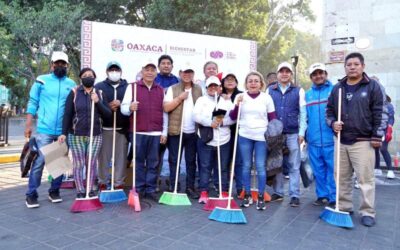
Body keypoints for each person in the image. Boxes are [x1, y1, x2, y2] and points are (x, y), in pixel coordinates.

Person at [326, 52, 385, 227]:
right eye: (349, 64)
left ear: (363, 66)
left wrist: (377, 135)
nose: (352, 67)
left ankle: (368, 212)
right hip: (341, 139)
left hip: (364, 141)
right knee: (341, 176)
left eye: (356, 64)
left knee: (365, 179)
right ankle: (344, 206)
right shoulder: (338, 88)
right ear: (345, 67)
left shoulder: (373, 87)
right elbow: (329, 111)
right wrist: (332, 123)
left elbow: (380, 112)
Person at [24, 51, 76, 208]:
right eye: (57, 63)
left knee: (59, 162)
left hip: (62, 131)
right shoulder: (41, 81)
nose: (60, 66)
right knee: (39, 161)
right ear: (52, 64)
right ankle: (31, 194)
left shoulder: (71, 84)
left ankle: (54, 191)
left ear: (67, 66)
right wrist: (28, 124)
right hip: (44, 130)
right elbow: (33, 102)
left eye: (63, 64)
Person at [58, 68, 111, 197]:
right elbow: (67, 114)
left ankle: (90, 188)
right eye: (85, 75)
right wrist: (64, 132)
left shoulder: (100, 93)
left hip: (95, 134)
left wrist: (98, 102)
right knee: (79, 163)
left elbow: (108, 115)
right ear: (81, 78)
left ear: (95, 78)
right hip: (76, 134)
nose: (88, 77)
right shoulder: (75, 92)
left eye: (91, 75)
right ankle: (80, 190)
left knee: (91, 163)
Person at [121, 62, 167, 201]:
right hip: (138, 131)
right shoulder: (132, 87)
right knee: (139, 162)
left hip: (156, 132)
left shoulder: (160, 90)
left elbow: (164, 113)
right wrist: (130, 107)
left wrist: (164, 132)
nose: (150, 72)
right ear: (142, 71)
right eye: (147, 70)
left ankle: (151, 189)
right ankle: (139, 189)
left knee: (153, 162)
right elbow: (123, 109)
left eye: (153, 70)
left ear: (156, 73)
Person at [230, 71, 276, 210]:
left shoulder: (266, 98)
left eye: (256, 81)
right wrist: (237, 105)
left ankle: (260, 196)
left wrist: (273, 135)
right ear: (246, 83)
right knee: (246, 166)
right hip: (244, 135)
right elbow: (233, 117)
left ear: (261, 83)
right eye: (250, 81)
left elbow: (272, 118)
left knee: (260, 166)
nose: (253, 83)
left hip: (261, 137)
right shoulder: (240, 96)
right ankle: (247, 194)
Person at [267, 62, 307, 207]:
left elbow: (303, 114)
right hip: (275, 134)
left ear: (291, 74)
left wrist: (302, 132)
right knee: (277, 164)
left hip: (293, 133)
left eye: (287, 71)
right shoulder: (270, 90)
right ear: (277, 74)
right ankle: (278, 192)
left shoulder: (299, 91)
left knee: (294, 166)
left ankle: (295, 195)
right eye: (281, 71)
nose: (284, 74)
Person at [193, 76, 234, 204]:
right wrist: (209, 122)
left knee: (222, 167)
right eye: (210, 86)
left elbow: (233, 118)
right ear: (206, 88)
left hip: (223, 139)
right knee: (205, 166)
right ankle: (204, 191)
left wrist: (222, 123)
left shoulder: (226, 101)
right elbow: (196, 116)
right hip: (206, 138)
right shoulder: (201, 100)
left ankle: (223, 190)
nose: (213, 88)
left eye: (215, 86)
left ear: (220, 88)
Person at [163, 66, 202, 199]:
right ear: (180, 73)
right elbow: (166, 108)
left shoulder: (198, 89)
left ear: (193, 74)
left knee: (191, 161)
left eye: (190, 72)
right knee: (174, 160)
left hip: (193, 132)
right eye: (184, 72)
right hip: (176, 131)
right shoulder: (172, 89)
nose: (187, 74)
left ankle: (190, 187)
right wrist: (179, 98)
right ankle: (173, 185)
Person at [96, 61, 130, 191]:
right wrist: (107, 106)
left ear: (121, 72)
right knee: (103, 158)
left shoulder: (127, 87)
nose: (114, 72)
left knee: (121, 159)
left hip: (121, 129)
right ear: (107, 72)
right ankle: (102, 182)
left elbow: (130, 104)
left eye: (117, 70)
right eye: (112, 70)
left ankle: (118, 183)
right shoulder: (99, 86)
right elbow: (96, 106)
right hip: (105, 129)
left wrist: (121, 103)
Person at [305, 63, 335, 206]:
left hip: (331, 139)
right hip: (313, 140)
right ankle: (322, 195)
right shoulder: (307, 94)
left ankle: (334, 196)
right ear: (311, 77)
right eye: (315, 74)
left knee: (333, 170)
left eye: (320, 73)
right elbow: (304, 117)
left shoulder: (335, 90)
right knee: (318, 170)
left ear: (326, 74)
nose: (318, 76)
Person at [154, 55, 179, 192]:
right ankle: (155, 181)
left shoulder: (177, 81)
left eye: (168, 63)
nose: (166, 65)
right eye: (163, 63)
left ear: (172, 66)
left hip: (174, 124)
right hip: (158, 124)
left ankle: (173, 182)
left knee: (174, 157)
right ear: (159, 66)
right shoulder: (154, 79)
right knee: (157, 156)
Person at [221, 73, 243, 197]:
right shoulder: (218, 95)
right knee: (224, 162)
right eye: (227, 80)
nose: (230, 82)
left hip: (238, 132)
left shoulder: (241, 95)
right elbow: (217, 114)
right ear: (223, 82)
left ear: (236, 82)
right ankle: (224, 188)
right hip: (222, 133)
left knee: (238, 162)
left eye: (232, 79)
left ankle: (240, 188)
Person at [375, 94, 395, 179]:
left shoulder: (389, 105)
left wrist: (389, 128)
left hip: (385, 130)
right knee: (375, 148)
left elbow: (391, 118)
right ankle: (377, 168)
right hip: (375, 129)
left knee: (383, 149)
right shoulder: (375, 103)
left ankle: (390, 170)